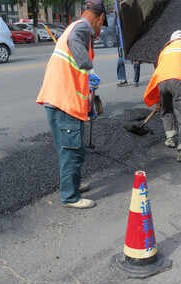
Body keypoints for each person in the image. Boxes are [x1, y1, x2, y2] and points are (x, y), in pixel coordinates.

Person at [36, 0, 107, 209]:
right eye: (102, 24)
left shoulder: (73, 27)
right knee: (72, 151)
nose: (100, 29)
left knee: (69, 149)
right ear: (100, 18)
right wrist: (90, 68)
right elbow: (77, 47)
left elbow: (75, 74)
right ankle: (70, 197)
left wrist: (88, 105)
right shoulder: (82, 28)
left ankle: (72, 186)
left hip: (60, 100)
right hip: (64, 101)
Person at [144, 30, 181, 162]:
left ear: (171, 41)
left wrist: (157, 100)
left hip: (162, 82)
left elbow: (158, 72)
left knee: (166, 109)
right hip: (179, 80)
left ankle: (170, 139)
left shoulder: (164, 51)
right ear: (180, 39)